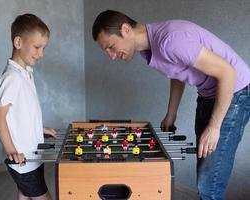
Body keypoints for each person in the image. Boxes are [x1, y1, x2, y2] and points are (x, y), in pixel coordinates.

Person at [92, 10, 250, 200]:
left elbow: (228, 73)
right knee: (204, 169)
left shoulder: (170, 41)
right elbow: (178, 72)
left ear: (126, 30)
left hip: (234, 92)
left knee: (210, 182)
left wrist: (214, 127)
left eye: (111, 46)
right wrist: (171, 113)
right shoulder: (147, 49)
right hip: (209, 93)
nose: (111, 56)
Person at [0, 13, 57, 200]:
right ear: (18, 42)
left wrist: (40, 128)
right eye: (37, 47)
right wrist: (11, 150)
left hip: (31, 154)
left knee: (24, 193)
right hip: (22, 158)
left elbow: (24, 111)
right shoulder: (12, 77)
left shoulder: (25, 72)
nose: (41, 53)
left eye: (43, 48)